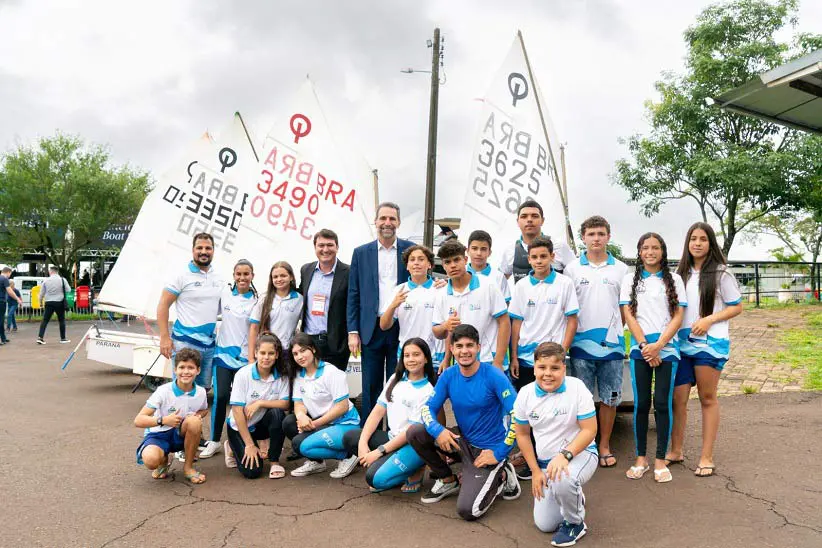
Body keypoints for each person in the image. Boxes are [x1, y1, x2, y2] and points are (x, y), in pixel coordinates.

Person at [406, 324, 521, 521]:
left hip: (488, 450)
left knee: (469, 510)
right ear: (451, 349)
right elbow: (428, 408)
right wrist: (439, 431)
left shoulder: (494, 375)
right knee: (415, 433)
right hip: (463, 442)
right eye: (459, 346)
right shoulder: (449, 375)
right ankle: (447, 479)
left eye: (469, 345)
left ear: (478, 347)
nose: (464, 351)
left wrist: (499, 452)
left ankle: (502, 474)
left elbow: (518, 415)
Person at [668, 222, 743, 477]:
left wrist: (709, 319)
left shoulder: (722, 273)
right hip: (681, 346)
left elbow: (736, 306)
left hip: (710, 346)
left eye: (702, 239)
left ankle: (706, 456)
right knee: (677, 399)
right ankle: (676, 450)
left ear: (711, 243)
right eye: (693, 239)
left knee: (707, 398)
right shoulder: (680, 274)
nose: (697, 243)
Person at [514, 342, 598, 547]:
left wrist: (565, 455)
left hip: (580, 454)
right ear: (534, 368)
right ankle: (573, 496)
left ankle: (575, 524)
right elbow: (522, 435)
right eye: (542, 367)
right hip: (545, 464)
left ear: (564, 368)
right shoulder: (525, 394)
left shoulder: (577, 387)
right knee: (545, 524)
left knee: (563, 478)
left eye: (555, 368)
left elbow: (589, 430)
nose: (548, 374)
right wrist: (535, 471)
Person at [563, 216, 629, 469]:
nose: (596, 238)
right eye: (591, 234)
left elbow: (625, 308)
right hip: (580, 346)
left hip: (612, 346)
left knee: (610, 398)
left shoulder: (621, 269)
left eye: (601, 233)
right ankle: (586, 445)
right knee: (583, 399)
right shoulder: (572, 269)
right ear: (583, 238)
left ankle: (604, 445)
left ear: (608, 236)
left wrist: (615, 332)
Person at [620, 233, 686, 484]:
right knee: (641, 404)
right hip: (641, 350)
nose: (650, 252)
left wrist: (659, 345)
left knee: (662, 403)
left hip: (667, 349)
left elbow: (678, 316)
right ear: (639, 252)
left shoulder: (675, 280)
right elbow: (629, 315)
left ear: (663, 251)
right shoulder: (630, 280)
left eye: (655, 247)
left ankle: (660, 459)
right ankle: (641, 459)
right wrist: (645, 346)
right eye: (645, 248)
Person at [335, 338, 437, 491]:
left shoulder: (427, 390)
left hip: (411, 445)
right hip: (391, 438)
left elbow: (409, 432)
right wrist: (363, 443)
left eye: (416, 355)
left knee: (373, 479)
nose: (411, 359)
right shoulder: (395, 379)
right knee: (350, 438)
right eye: (407, 355)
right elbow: (377, 412)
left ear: (426, 358)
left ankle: (416, 469)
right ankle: (391, 466)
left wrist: (379, 451)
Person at [348, 202, 414, 425]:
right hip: (370, 328)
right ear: (375, 222)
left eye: (392, 219)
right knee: (371, 386)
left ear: (399, 222)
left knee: (399, 383)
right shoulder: (360, 253)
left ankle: (397, 432)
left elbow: (423, 280)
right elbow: (354, 293)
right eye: (383, 218)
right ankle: (369, 435)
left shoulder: (411, 250)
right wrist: (353, 331)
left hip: (401, 327)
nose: (387, 223)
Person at [200, 259, 258, 459]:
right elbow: (206, 307)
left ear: (252, 276)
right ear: (234, 276)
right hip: (222, 356)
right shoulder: (224, 293)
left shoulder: (257, 300)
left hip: (245, 359)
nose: (242, 278)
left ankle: (242, 439)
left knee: (244, 401)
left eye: (246, 274)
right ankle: (215, 441)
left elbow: (257, 329)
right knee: (221, 397)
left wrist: (253, 357)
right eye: (238, 274)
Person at [283, 333, 361, 477]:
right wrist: (301, 416)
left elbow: (342, 407)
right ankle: (317, 462)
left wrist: (314, 424)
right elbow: (298, 403)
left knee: (301, 445)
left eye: (303, 351)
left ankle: (349, 456)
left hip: (345, 423)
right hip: (322, 423)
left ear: (313, 349)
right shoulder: (299, 374)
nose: (299, 356)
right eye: (295, 354)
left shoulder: (331, 372)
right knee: (289, 422)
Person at [157, 232, 225, 393]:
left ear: (213, 250)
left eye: (208, 248)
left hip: (209, 344)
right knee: (183, 388)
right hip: (184, 342)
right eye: (199, 248)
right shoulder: (181, 275)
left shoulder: (218, 277)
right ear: (193, 250)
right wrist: (164, 337)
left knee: (203, 390)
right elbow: (163, 305)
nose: (204, 251)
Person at [509, 236, 579, 391]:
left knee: (556, 400)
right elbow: (516, 323)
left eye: (543, 256)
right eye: (534, 257)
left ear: (552, 257)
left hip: (554, 358)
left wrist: (562, 352)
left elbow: (572, 320)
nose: (539, 261)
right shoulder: (521, 286)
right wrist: (514, 356)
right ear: (529, 259)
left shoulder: (565, 283)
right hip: (526, 358)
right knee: (528, 400)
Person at [432, 240, 510, 373]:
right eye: (448, 262)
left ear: (465, 259)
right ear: (443, 265)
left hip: (489, 361)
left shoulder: (488, 285)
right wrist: (445, 326)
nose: (453, 265)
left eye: (457, 260)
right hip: (462, 365)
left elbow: (504, 322)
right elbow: (437, 332)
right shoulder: (441, 294)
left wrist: (498, 361)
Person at [133, 348, 208, 484]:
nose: (186, 371)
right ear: (175, 370)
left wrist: (197, 415)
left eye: (190, 368)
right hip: (159, 434)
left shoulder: (201, 392)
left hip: (180, 434)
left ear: (198, 370)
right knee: (150, 460)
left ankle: (188, 468)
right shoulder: (163, 391)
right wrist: (164, 420)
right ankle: (163, 460)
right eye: (182, 367)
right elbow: (138, 420)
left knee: (194, 422)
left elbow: (204, 410)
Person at [225, 333, 291, 479]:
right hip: (240, 426)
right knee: (252, 472)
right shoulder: (243, 374)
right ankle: (232, 445)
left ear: (277, 355)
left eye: (271, 353)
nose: (266, 357)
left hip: (261, 425)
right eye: (262, 353)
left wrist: (260, 403)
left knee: (278, 414)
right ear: (255, 353)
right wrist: (249, 445)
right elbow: (237, 411)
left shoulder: (282, 375)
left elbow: (286, 404)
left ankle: (274, 462)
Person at [299, 229, 351, 371]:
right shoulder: (306, 270)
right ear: (315, 247)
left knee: (334, 383)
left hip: (336, 343)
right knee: (308, 382)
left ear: (337, 247)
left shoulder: (349, 272)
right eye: (321, 245)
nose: (325, 249)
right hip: (308, 342)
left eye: (330, 245)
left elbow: (354, 306)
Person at [379, 245, 440, 364]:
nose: (416, 263)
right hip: (407, 355)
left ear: (429, 264)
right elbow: (384, 325)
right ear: (407, 266)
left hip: (434, 355)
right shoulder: (399, 290)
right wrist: (393, 305)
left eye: (421, 259)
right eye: (412, 260)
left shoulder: (439, 288)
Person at [498, 200, 576, 282]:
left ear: (542, 221)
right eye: (524, 216)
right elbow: (499, 280)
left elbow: (577, 273)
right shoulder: (510, 250)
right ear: (518, 221)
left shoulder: (559, 246)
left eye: (534, 216)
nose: (529, 220)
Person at [249, 261, 303, 357]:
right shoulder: (264, 298)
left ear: (291, 277)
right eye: (275, 277)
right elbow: (254, 327)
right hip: (266, 352)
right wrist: (251, 357)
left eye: (283, 276)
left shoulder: (299, 299)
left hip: (287, 352)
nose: (279, 279)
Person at [467, 230, 512, 302]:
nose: (479, 253)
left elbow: (505, 304)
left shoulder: (499, 277)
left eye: (483, 249)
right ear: (468, 251)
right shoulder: (459, 274)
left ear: (489, 252)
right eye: (474, 248)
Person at [36, 266, 71, 345]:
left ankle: (40, 338)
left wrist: (40, 302)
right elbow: (68, 290)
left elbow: (41, 293)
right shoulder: (63, 280)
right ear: (57, 271)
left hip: (48, 302)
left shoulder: (46, 280)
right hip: (59, 302)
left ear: (51, 271)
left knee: (45, 320)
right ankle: (63, 338)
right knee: (61, 320)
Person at [1, 267, 22, 344]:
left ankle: (3, 338)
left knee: (2, 320)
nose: (10, 275)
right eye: (10, 273)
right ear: (8, 272)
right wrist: (17, 299)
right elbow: (10, 291)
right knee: (1, 320)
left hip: (3, 302)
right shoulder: (4, 279)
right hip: (1, 302)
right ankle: (3, 338)